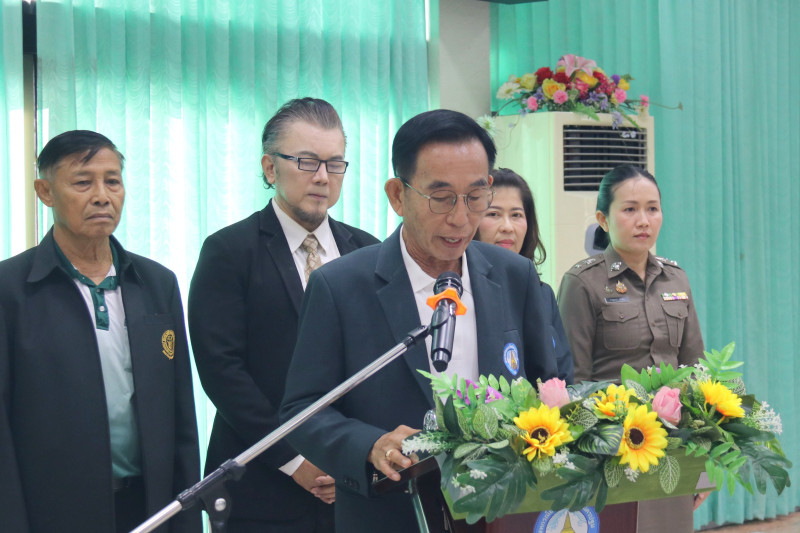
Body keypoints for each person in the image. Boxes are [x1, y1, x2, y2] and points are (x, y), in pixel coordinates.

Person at [280, 109, 559, 533]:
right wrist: (371, 445)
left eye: (476, 195)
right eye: (441, 197)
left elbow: (547, 385)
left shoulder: (514, 275)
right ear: (398, 195)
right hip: (390, 514)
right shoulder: (340, 286)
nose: (460, 218)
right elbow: (303, 411)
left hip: (503, 513)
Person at [188, 98, 379, 533]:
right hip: (261, 485)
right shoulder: (229, 252)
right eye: (307, 161)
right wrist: (295, 460)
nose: (322, 176)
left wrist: (357, 452)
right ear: (270, 168)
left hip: (354, 483)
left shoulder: (368, 251)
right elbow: (223, 372)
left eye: (335, 164)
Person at [0, 130, 201, 533]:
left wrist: (186, 517)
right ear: (45, 192)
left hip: (149, 505)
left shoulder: (156, 282)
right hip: (53, 512)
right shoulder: (11, 289)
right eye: (82, 182)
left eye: (112, 181)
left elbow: (180, 415)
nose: (101, 196)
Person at [557, 164, 705, 533]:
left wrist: (700, 465)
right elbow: (574, 382)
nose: (643, 220)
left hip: (672, 446)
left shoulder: (676, 278)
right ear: (603, 220)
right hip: (611, 451)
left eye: (652, 208)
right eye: (629, 209)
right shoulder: (582, 282)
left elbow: (696, 370)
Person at [474, 167, 573, 382]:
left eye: (516, 215)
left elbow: (563, 377)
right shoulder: (463, 290)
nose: (507, 227)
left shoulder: (543, 294)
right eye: (493, 214)